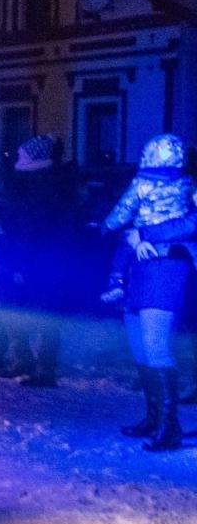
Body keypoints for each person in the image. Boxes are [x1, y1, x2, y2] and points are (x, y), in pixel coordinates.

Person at [111, 135, 194, 452]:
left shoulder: (189, 187)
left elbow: (193, 222)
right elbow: (122, 223)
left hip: (168, 268)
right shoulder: (144, 187)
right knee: (140, 348)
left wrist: (144, 233)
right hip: (139, 270)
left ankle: (169, 427)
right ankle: (154, 418)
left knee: (156, 346)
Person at [0, 135, 72, 387]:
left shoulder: (45, 189)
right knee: (16, 310)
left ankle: (43, 368)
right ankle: (25, 360)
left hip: (38, 261)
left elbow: (32, 228)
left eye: (23, 156)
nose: (19, 161)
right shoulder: (32, 184)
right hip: (26, 258)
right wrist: (2, 234)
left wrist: (15, 253)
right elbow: (16, 218)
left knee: (41, 313)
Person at [100, 134, 194, 304]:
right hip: (176, 236)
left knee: (124, 247)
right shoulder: (186, 182)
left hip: (144, 228)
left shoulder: (142, 182)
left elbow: (126, 207)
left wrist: (108, 225)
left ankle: (116, 282)